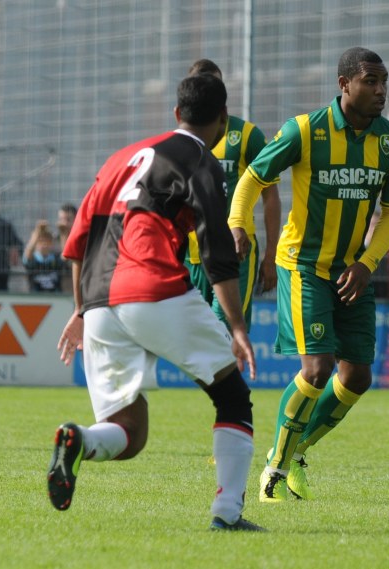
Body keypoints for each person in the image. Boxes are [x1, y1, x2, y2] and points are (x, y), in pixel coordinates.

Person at [47, 73, 264, 532]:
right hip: (153, 286)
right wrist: (238, 326)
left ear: (175, 113)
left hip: (101, 299)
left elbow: (77, 241)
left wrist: (82, 309)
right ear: (223, 120)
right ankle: (227, 516)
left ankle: (77, 440)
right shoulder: (202, 160)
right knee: (232, 397)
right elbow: (217, 250)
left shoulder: (122, 158)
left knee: (130, 430)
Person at [228, 47, 389, 503]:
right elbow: (253, 177)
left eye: (384, 81)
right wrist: (237, 222)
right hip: (304, 266)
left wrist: (368, 263)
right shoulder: (305, 131)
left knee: (357, 378)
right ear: (344, 83)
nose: (380, 90)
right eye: (370, 80)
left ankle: (291, 451)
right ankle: (274, 471)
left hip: (353, 271)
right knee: (317, 368)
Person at [183, 59, 281, 330]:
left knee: (224, 334)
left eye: (215, 84)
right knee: (198, 341)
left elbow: (270, 195)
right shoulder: (182, 140)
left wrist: (271, 254)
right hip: (192, 256)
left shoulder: (247, 135)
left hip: (237, 253)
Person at [22, 219, 65, 292]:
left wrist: (63, 233)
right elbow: (27, 256)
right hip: (36, 298)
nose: (44, 244)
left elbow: (65, 256)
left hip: (55, 297)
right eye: (41, 241)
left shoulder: (55, 259)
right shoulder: (33, 259)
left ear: (51, 243)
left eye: (47, 241)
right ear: (36, 243)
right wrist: (37, 231)